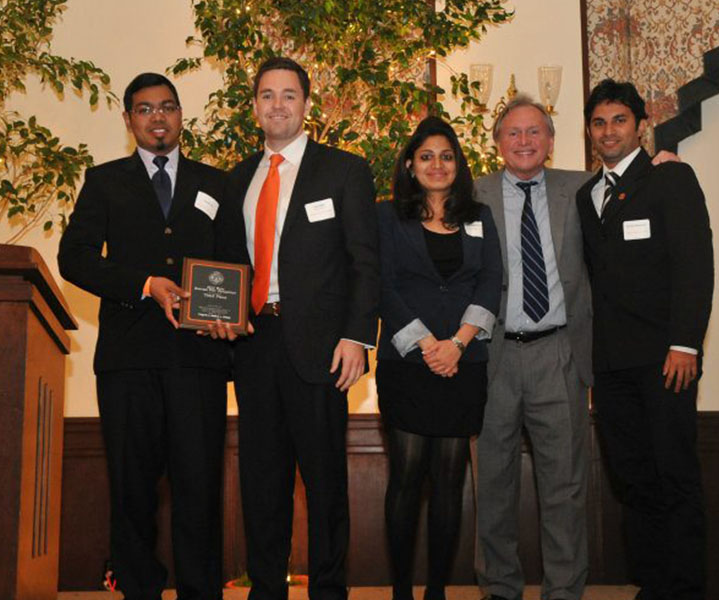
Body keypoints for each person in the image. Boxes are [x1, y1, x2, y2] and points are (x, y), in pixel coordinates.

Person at [58, 73, 229, 600]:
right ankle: (138, 589)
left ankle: (201, 590)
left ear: (182, 116)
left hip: (198, 360)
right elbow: (74, 258)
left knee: (200, 490)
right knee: (132, 492)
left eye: (168, 107)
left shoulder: (217, 183)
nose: (158, 117)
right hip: (128, 364)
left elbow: (234, 264)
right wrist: (144, 285)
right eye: (145, 109)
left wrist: (234, 308)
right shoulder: (104, 181)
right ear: (129, 119)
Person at [215, 57, 380, 600]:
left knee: (325, 483)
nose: (278, 105)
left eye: (289, 95)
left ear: (307, 105)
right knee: (262, 484)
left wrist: (358, 337)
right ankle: (266, 589)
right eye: (267, 95)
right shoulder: (237, 178)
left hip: (322, 349)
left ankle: (329, 590)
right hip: (255, 346)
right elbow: (225, 263)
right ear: (255, 105)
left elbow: (364, 261)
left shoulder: (344, 170)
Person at [576, 79, 713, 600]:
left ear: (640, 126)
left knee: (675, 476)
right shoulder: (588, 197)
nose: (608, 131)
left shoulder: (671, 180)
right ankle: (653, 583)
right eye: (599, 122)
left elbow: (695, 265)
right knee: (632, 480)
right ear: (590, 131)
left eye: (619, 121)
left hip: (665, 361)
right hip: (610, 368)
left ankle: (685, 589)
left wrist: (686, 344)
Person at [376, 116, 502, 600]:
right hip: (408, 365)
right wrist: (429, 345)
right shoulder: (387, 216)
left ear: (458, 165)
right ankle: (403, 590)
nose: (436, 164)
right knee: (406, 480)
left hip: (463, 365)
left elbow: (490, 281)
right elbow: (383, 285)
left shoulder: (479, 215)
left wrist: (459, 343)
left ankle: (436, 592)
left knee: (450, 482)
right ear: (410, 164)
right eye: (426, 156)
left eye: (446, 156)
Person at [473, 96, 594, 600]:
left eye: (534, 132)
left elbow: (637, 187)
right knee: (493, 486)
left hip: (558, 353)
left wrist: (663, 163)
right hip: (492, 354)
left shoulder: (583, 188)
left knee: (564, 486)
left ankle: (564, 591)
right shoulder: (470, 192)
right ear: (497, 142)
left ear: (550, 141)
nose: (524, 141)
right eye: (513, 133)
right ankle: (500, 588)